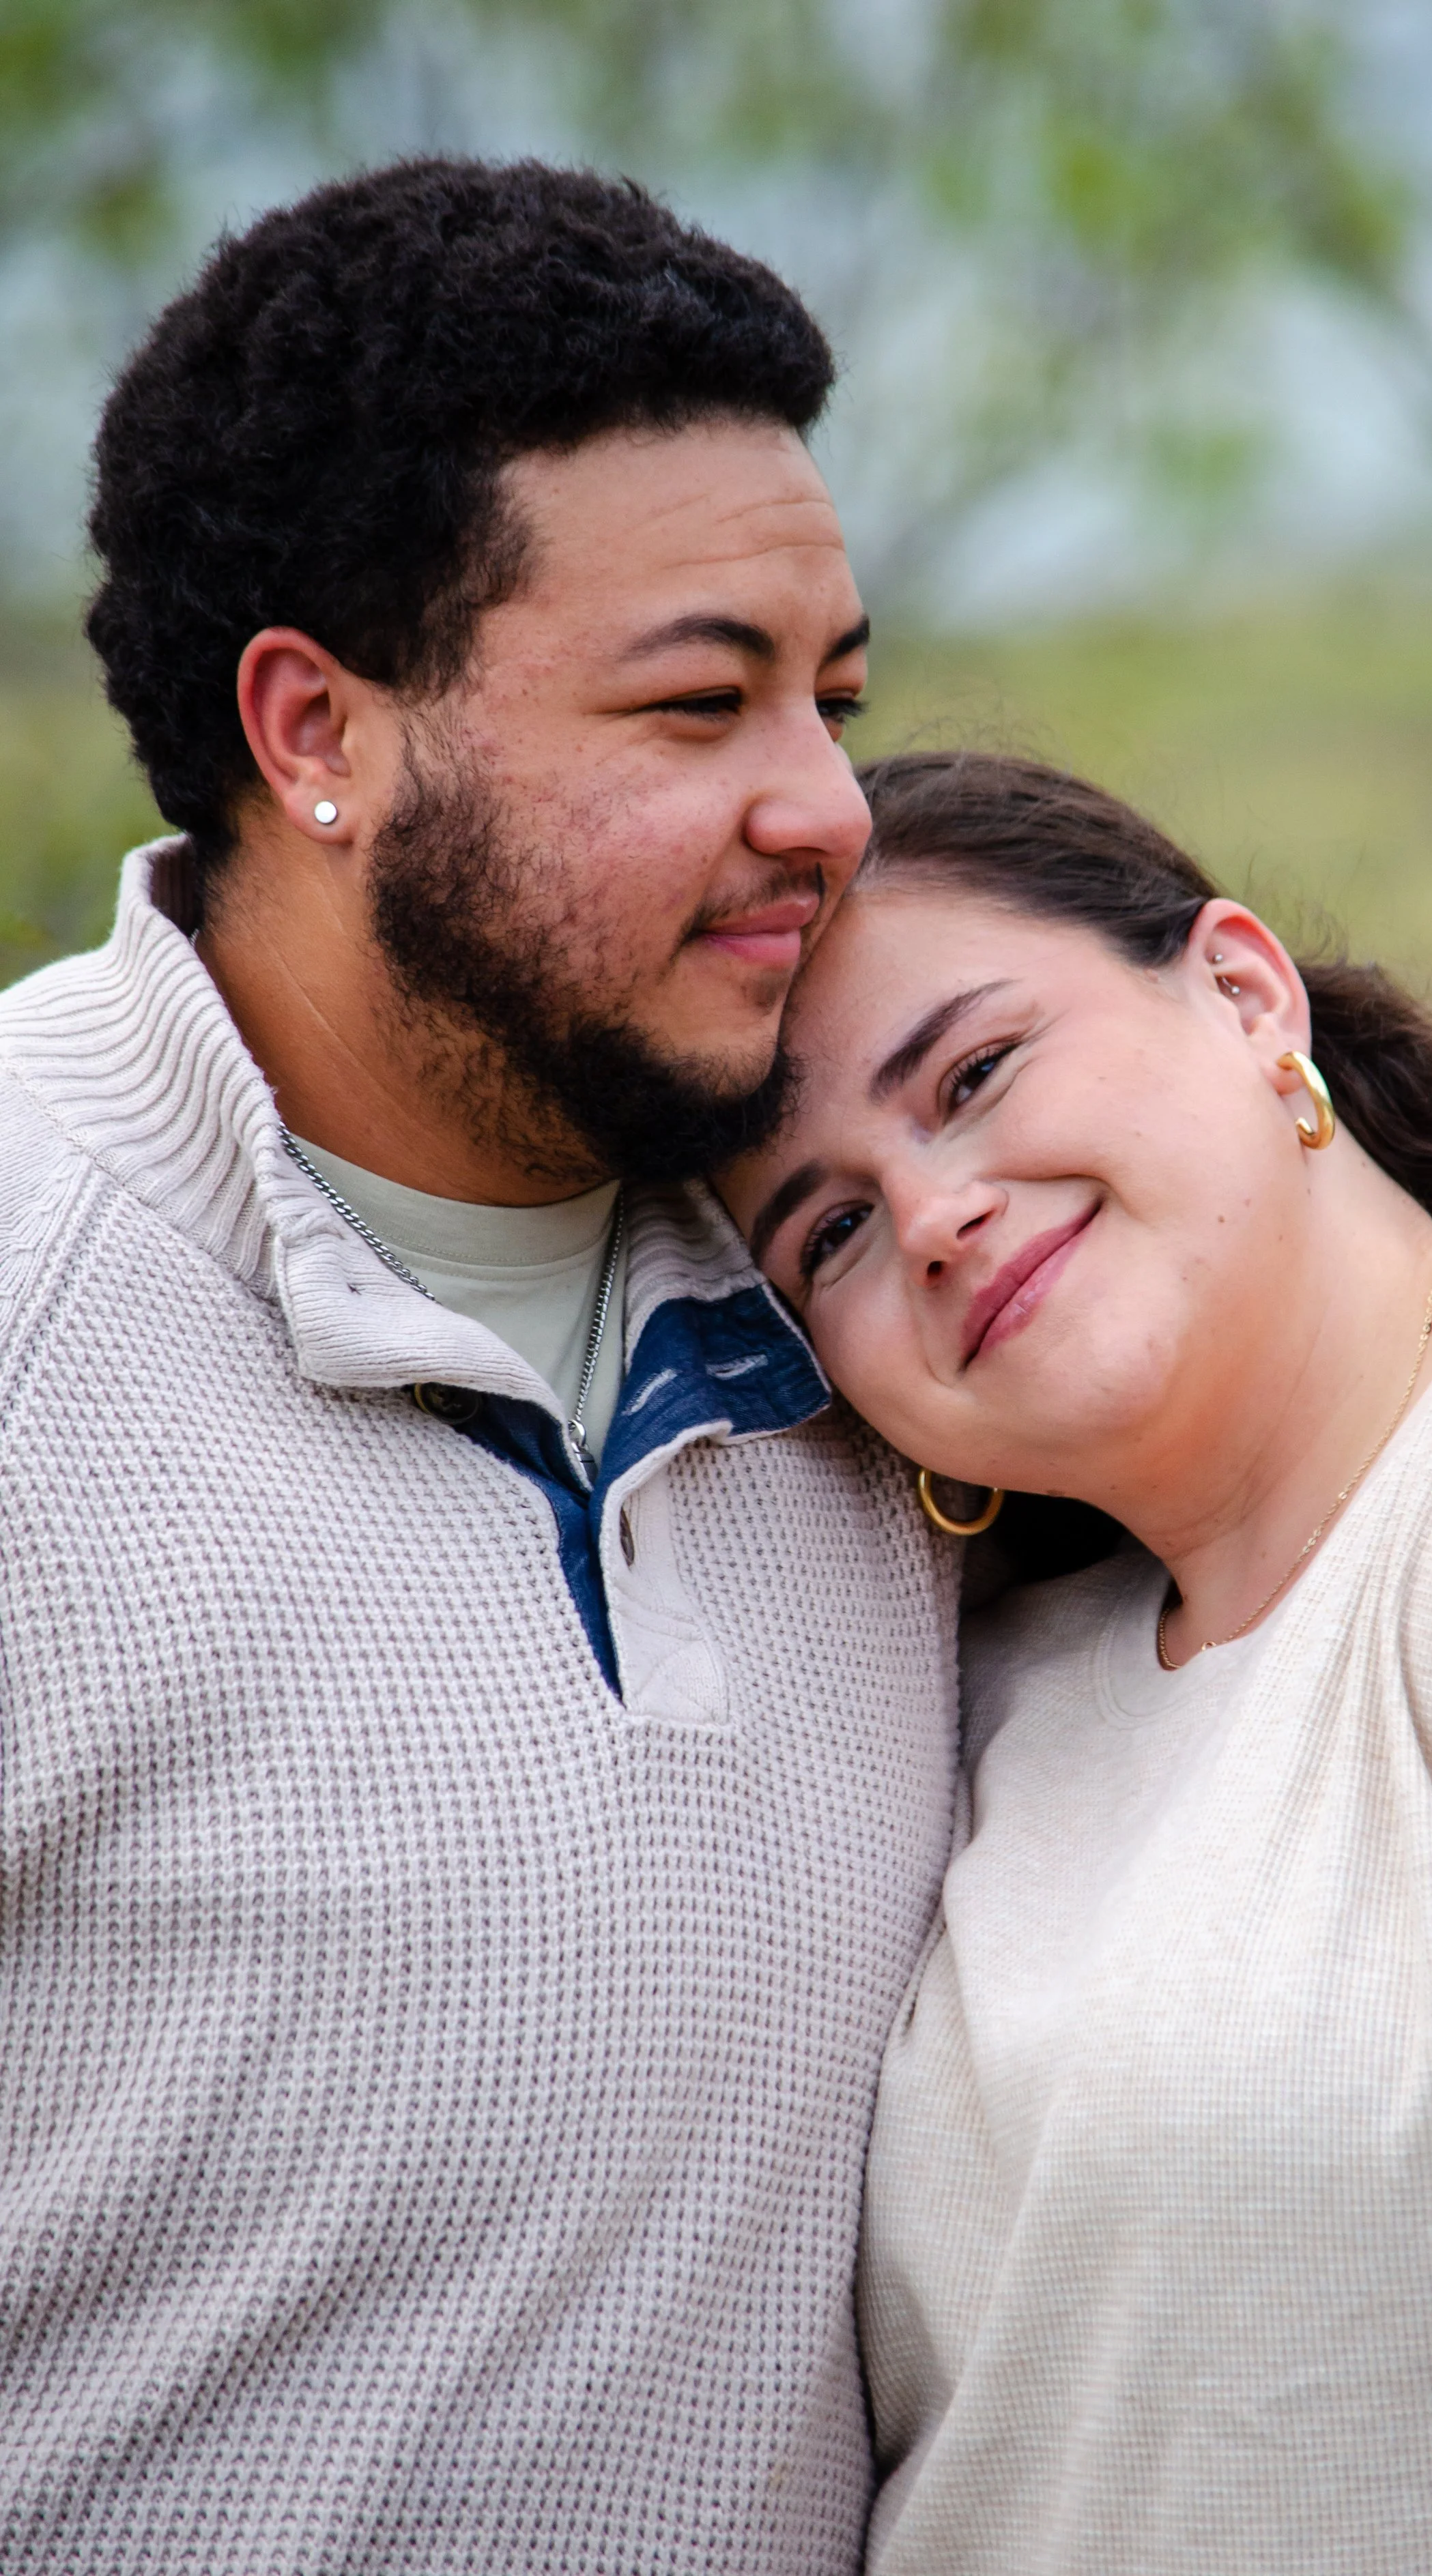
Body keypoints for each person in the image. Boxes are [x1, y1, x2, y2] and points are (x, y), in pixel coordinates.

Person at [0, 163, 960, 2574]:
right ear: (317, 729)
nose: (826, 814)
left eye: (832, 700)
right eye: (695, 699)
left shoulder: (900, 1284)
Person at [721, 748, 1432, 2575]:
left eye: (976, 1071)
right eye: (829, 1229)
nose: (931, 1215)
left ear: (1247, 993)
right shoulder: (1012, 1680)